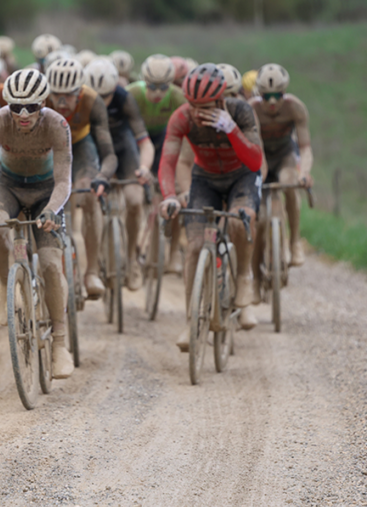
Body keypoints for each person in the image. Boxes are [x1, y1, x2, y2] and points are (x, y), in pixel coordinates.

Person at [157, 64, 263, 350]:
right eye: (192, 105)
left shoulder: (240, 111)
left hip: (241, 175)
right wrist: (169, 195)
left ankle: (243, 277)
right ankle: (191, 321)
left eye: (203, 106)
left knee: (242, 221)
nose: (196, 112)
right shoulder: (182, 118)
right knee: (193, 247)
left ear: (219, 100)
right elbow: (168, 161)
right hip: (205, 179)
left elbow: (255, 161)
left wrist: (230, 128)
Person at [0, 69, 75, 378]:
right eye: (15, 106)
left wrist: (51, 210)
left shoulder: (58, 125)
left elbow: (63, 180)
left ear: (43, 103)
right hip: (8, 185)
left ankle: (60, 343)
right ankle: (7, 283)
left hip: (47, 189)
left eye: (31, 107)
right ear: (5, 103)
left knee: (49, 263)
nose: (22, 114)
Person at [45, 58, 117, 299]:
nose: (62, 102)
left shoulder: (92, 101)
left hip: (80, 144)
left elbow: (108, 152)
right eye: (56, 95)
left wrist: (102, 176)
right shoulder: (41, 99)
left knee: (88, 195)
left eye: (69, 95)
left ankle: (92, 271)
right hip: (50, 147)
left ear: (80, 91)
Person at [85, 59, 155, 292]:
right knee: (88, 200)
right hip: (96, 148)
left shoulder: (125, 98)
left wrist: (144, 168)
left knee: (135, 201)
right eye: (97, 97)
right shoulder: (83, 100)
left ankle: (133, 259)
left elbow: (144, 142)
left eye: (106, 97)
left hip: (124, 148)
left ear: (114, 89)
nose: (102, 103)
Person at [127, 54, 189, 274]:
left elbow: (187, 133)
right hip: (137, 140)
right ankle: (129, 249)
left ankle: (173, 254)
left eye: (163, 88)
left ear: (170, 85)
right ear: (144, 82)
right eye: (152, 87)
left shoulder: (178, 96)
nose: (157, 94)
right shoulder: (132, 93)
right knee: (132, 193)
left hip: (165, 139)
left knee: (174, 195)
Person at [250, 63, 313, 269]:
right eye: (266, 97)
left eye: (278, 95)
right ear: (259, 94)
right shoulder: (252, 109)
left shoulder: (295, 107)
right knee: (257, 213)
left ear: (285, 92)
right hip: (261, 156)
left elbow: (305, 148)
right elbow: (255, 146)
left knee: (289, 183)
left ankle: (295, 241)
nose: (273, 102)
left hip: (285, 154)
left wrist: (304, 173)